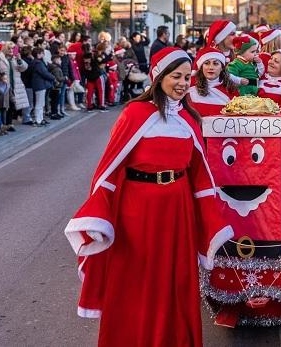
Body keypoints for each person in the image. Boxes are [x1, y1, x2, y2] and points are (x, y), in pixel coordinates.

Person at [64, 46, 233, 347]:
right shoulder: (135, 114)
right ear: (159, 77)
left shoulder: (189, 118)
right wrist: (99, 215)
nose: (183, 83)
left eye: (186, 77)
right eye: (176, 76)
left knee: (174, 281)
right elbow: (110, 169)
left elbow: (200, 176)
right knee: (136, 280)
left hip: (177, 208)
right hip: (137, 211)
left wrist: (211, 219)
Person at [187, 47, 237, 117]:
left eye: (215, 64)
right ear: (201, 67)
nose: (211, 67)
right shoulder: (189, 86)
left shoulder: (231, 89)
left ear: (222, 67)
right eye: (207, 63)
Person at [30, 47, 55, 127]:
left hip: (39, 84)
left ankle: (40, 119)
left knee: (40, 103)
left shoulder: (35, 62)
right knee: (39, 103)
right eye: (42, 53)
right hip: (40, 84)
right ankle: (38, 120)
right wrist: (53, 77)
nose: (43, 55)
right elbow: (44, 73)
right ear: (38, 54)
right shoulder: (38, 63)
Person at [47, 55, 65, 120]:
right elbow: (58, 78)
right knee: (55, 101)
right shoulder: (56, 68)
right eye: (60, 60)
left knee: (55, 101)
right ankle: (54, 113)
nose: (61, 61)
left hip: (56, 87)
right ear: (56, 60)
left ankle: (55, 113)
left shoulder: (55, 67)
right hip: (55, 87)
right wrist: (64, 78)